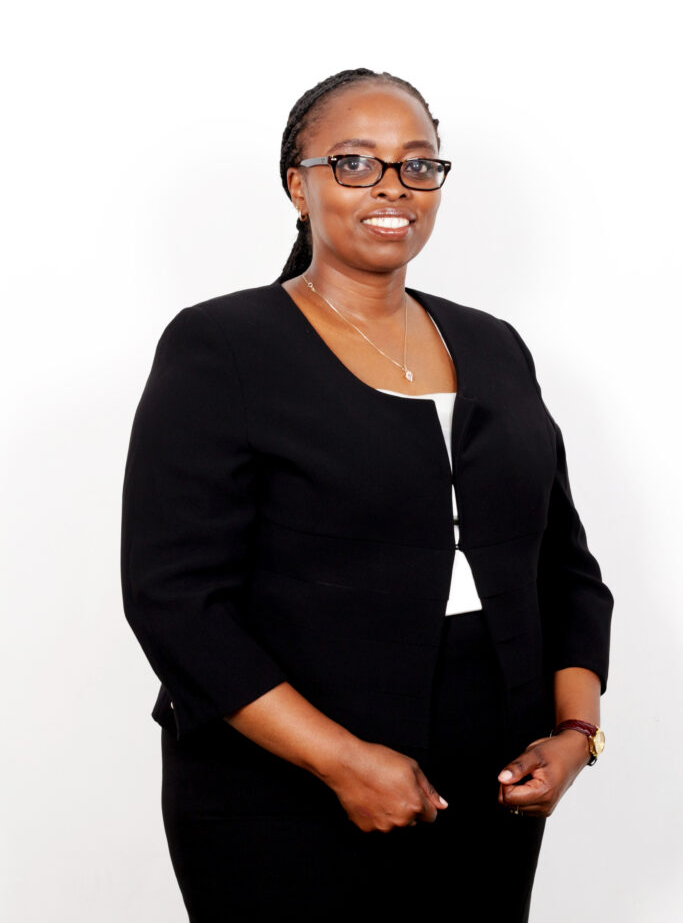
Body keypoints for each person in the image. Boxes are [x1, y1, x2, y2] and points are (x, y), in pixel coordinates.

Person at [120, 68, 614, 922]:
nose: (393, 186)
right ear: (298, 186)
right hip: (279, 780)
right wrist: (341, 762)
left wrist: (574, 736)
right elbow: (175, 601)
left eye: (417, 164)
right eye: (354, 162)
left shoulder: (493, 346)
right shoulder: (222, 346)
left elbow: (563, 567)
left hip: (489, 778)